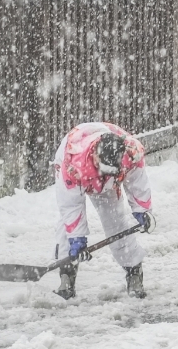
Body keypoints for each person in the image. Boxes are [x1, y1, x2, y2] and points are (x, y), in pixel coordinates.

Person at [52, 122, 152, 300]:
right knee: (68, 226)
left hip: (108, 181)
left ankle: (134, 271)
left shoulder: (131, 153)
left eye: (110, 172)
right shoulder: (72, 163)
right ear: (96, 156)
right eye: (104, 171)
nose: (105, 176)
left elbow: (137, 180)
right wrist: (77, 239)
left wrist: (142, 210)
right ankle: (67, 274)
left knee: (116, 221)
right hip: (78, 173)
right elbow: (71, 205)